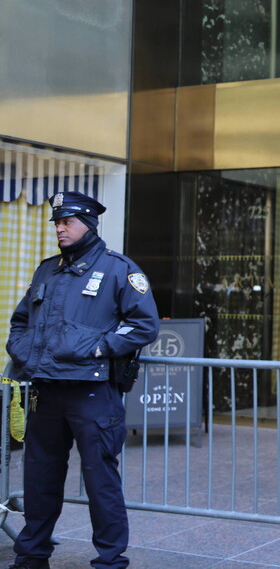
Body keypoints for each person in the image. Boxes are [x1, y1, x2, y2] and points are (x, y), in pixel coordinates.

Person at [5, 191, 160, 569]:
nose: (60, 228)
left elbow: (144, 325)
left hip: (93, 394)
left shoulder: (118, 269)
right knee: (39, 481)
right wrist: (27, 354)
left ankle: (109, 561)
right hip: (47, 392)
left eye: (67, 222)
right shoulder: (47, 270)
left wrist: (98, 348)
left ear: (88, 223)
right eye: (57, 222)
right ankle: (31, 556)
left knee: (100, 482)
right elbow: (20, 324)